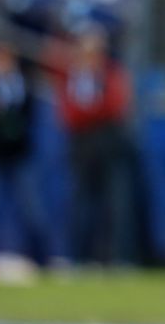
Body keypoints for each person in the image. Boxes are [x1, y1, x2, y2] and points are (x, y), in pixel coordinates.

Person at [49, 27, 147, 266]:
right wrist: (93, 113)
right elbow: (69, 113)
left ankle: (119, 257)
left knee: (117, 204)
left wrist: (91, 113)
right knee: (81, 204)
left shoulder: (111, 75)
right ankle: (77, 257)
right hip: (82, 145)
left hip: (109, 143)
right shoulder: (71, 76)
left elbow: (116, 106)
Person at [0, 40, 50, 262]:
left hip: (18, 155)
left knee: (33, 209)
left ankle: (43, 259)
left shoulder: (23, 86)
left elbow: (27, 118)